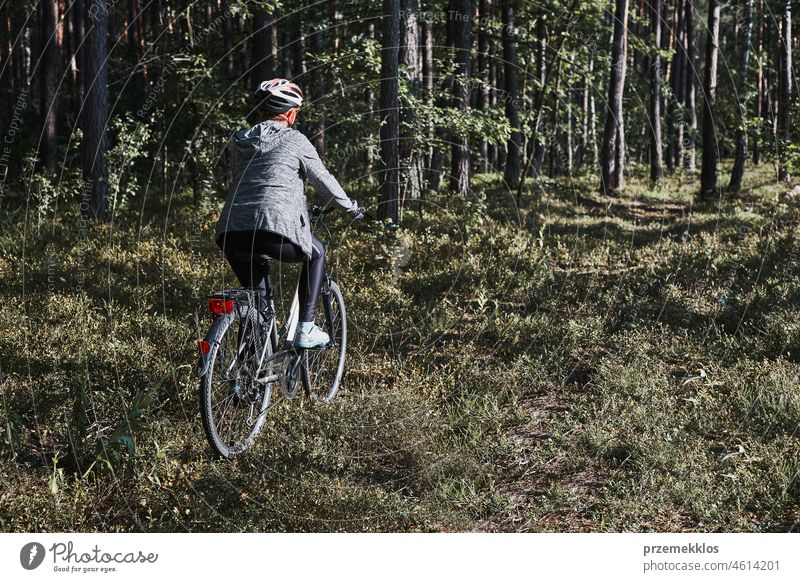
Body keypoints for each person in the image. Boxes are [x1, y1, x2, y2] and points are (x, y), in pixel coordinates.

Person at [216, 78, 363, 348]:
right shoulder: (295, 139)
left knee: (258, 307)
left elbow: (257, 182)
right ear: (291, 113)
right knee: (316, 253)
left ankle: (248, 377)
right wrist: (350, 207)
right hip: (273, 229)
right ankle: (306, 328)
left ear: (261, 111)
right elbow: (324, 181)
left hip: (231, 231)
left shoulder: (238, 140)